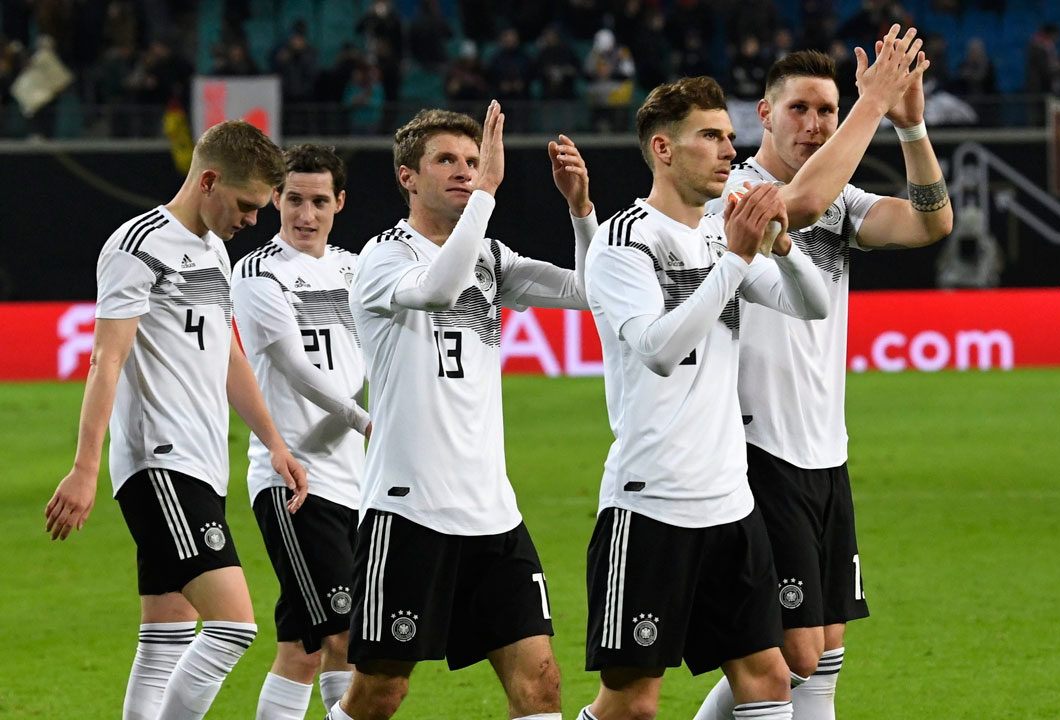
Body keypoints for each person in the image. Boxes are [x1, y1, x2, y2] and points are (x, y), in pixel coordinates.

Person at [695, 30, 953, 720]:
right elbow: (795, 207)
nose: (815, 124)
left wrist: (912, 125)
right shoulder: (737, 191)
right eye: (801, 109)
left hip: (823, 448)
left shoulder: (841, 200)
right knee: (794, 652)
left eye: (827, 111)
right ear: (765, 115)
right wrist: (872, 104)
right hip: (756, 448)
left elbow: (931, 224)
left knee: (825, 646)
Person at [329, 101, 599, 720]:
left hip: (493, 514)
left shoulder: (490, 257)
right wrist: (488, 195)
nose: (465, 171)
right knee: (380, 692)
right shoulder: (381, 258)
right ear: (407, 176)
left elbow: (589, 290)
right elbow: (436, 289)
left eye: (474, 161)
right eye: (446, 160)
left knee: (542, 686)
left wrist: (580, 210)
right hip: (410, 509)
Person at [577, 76, 831, 720]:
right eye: (710, 137)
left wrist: (781, 246)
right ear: (662, 148)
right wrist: (738, 262)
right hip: (651, 504)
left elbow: (812, 304)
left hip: (730, 503)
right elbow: (659, 350)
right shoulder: (622, 241)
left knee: (769, 677)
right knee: (632, 702)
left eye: (728, 136)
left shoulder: (724, 235)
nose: (728, 149)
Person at [44, 120, 307, 720]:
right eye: (246, 205)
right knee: (234, 627)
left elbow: (227, 354)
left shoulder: (214, 249)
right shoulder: (138, 246)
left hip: (200, 464)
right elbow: (105, 359)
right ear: (209, 180)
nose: (253, 221)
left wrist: (274, 442)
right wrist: (85, 469)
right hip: (161, 462)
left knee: (165, 638)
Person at [230, 144, 369, 720]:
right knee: (339, 640)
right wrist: (368, 420)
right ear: (276, 200)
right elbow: (294, 367)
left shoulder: (356, 268)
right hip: (295, 481)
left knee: (304, 647)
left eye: (317, 201)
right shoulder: (258, 271)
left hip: (358, 479)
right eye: (292, 199)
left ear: (339, 202)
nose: (304, 214)